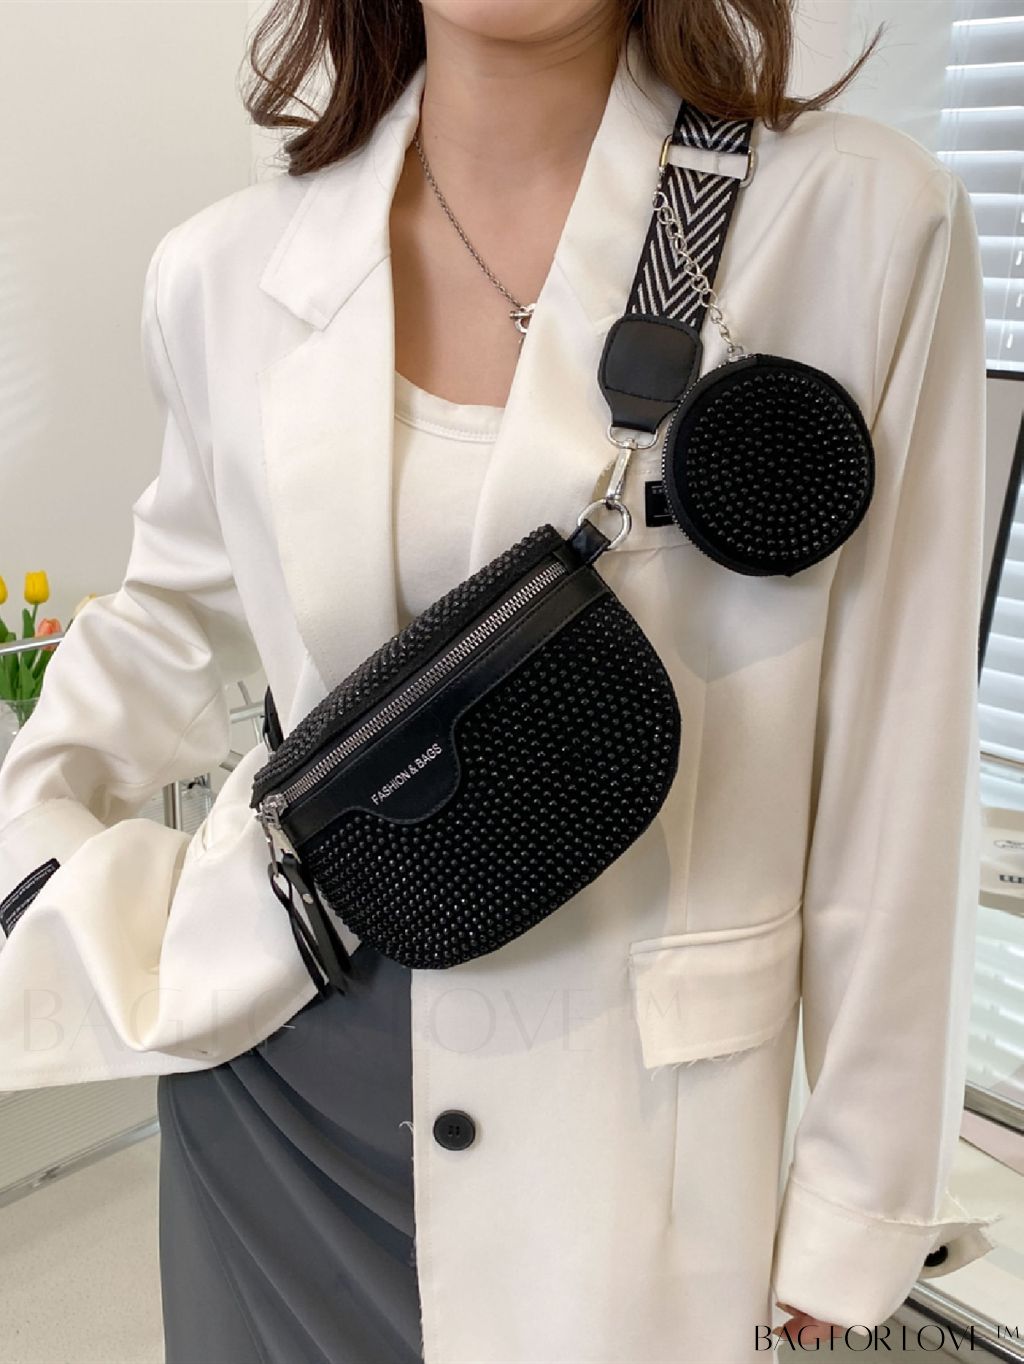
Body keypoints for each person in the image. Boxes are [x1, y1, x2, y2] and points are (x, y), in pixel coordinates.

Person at [0, 1, 1001, 1360]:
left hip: (627, 1145)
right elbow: (166, 617)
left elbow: (900, 754)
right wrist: (35, 862)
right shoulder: (225, 269)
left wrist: (860, 1194)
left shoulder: (860, 223)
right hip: (279, 1076)